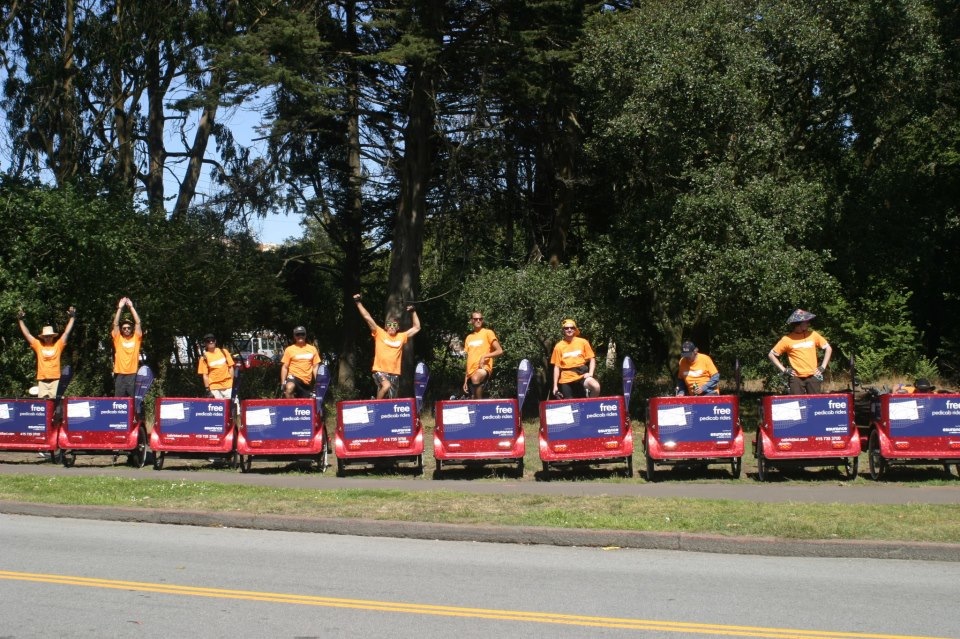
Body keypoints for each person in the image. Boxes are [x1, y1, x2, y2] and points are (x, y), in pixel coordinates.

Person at [353, 293, 421, 399]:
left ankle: (380, 410)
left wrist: (413, 312)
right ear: (386, 326)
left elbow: (417, 328)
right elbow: (367, 317)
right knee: (386, 386)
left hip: (394, 373)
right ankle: (376, 404)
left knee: (392, 399)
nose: (392, 327)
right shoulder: (380, 333)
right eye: (389, 325)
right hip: (380, 370)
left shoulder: (401, 336)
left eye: (394, 325)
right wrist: (358, 302)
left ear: (398, 327)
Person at [768, 308, 832, 395]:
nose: (808, 323)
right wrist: (784, 370)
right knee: (797, 404)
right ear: (798, 324)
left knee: (815, 404)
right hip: (796, 378)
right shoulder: (787, 339)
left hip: (813, 376)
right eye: (806, 321)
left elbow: (828, 348)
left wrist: (823, 367)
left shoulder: (813, 334)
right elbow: (771, 354)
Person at [17, 306, 76, 399]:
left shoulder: (58, 345)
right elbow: (27, 334)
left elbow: (66, 333)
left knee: (55, 405)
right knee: (43, 407)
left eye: (50, 336)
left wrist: (72, 318)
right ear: (43, 337)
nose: (48, 338)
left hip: (55, 381)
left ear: (53, 336)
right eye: (46, 336)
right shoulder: (38, 345)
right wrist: (20, 320)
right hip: (42, 381)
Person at [550, 319, 601, 399]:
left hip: (581, 376)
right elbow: (556, 367)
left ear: (575, 329)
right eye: (566, 328)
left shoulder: (583, 342)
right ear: (563, 330)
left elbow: (592, 359)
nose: (569, 330)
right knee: (571, 405)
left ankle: (589, 406)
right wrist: (555, 386)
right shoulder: (558, 346)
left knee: (596, 386)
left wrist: (590, 373)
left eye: (571, 328)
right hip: (566, 379)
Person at [462, 311, 504, 398]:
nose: (478, 320)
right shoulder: (469, 337)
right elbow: (468, 359)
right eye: (475, 319)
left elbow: (500, 351)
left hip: (483, 368)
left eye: (480, 319)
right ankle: (480, 407)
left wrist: (484, 356)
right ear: (471, 321)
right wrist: (465, 380)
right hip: (470, 372)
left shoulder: (488, 333)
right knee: (472, 400)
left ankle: (480, 404)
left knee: (476, 378)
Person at [112, 297, 143, 397]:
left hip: (132, 374)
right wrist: (120, 308)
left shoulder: (136, 338)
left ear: (132, 329)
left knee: (132, 402)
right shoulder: (118, 338)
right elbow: (115, 323)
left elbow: (138, 322)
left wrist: (131, 307)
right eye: (124, 328)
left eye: (129, 327)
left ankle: (135, 413)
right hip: (119, 374)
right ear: (121, 329)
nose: (126, 329)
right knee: (119, 402)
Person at [279, 326, 321, 398]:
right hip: (293, 377)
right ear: (294, 336)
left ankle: (296, 407)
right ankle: (291, 408)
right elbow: (285, 367)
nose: (300, 336)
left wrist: (318, 382)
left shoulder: (312, 349)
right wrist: (283, 383)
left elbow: (315, 367)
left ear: (305, 335)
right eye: (298, 334)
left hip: (306, 381)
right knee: (289, 388)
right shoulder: (289, 349)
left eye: (302, 334)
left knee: (304, 403)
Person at [197, 334, 235, 399]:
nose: (211, 342)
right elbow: (205, 375)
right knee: (218, 407)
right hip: (214, 387)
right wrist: (207, 390)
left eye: (212, 340)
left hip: (228, 386)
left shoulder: (224, 352)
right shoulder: (204, 358)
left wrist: (231, 382)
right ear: (205, 343)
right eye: (208, 341)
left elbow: (231, 368)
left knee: (232, 406)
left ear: (215, 341)